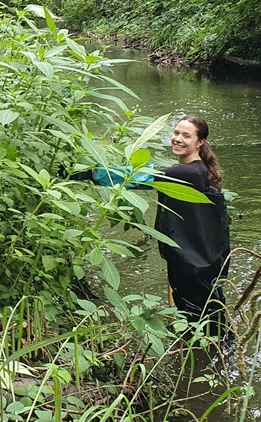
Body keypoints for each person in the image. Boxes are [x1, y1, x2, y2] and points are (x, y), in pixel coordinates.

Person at [80, 115, 231, 335]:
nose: (177, 139)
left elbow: (135, 177)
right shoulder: (198, 171)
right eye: (176, 133)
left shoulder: (189, 173)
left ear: (200, 143)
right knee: (206, 319)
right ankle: (213, 356)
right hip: (200, 261)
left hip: (195, 265)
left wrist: (89, 173)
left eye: (186, 136)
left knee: (199, 325)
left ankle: (205, 359)